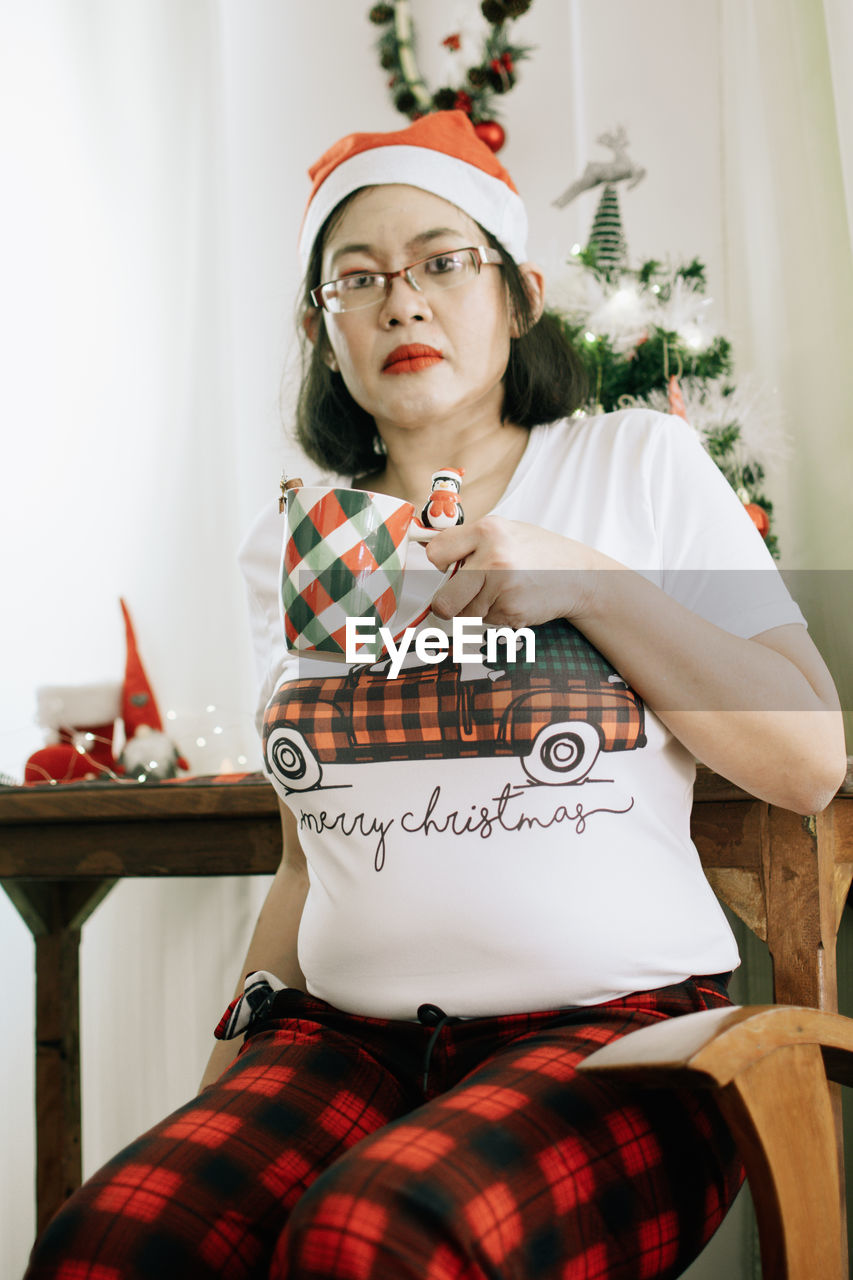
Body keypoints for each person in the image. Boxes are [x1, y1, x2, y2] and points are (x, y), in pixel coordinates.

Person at [26, 111, 845, 1280]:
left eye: (441, 261)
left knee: (374, 1238)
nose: (399, 301)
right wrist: (225, 1086)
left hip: (622, 1034)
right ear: (326, 333)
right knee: (111, 1241)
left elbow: (806, 757)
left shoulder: (636, 466)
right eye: (355, 279)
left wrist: (585, 585)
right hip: (340, 1042)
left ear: (517, 296)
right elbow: (311, 857)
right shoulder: (293, 541)